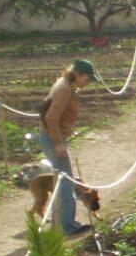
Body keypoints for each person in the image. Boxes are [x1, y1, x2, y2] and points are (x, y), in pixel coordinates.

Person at [39, 59, 97, 236]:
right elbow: (51, 118)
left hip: (52, 137)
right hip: (52, 139)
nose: (87, 84)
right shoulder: (64, 89)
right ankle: (67, 227)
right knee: (66, 182)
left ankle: (61, 223)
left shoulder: (65, 84)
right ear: (78, 74)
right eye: (86, 80)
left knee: (64, 180)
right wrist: (58, 143)